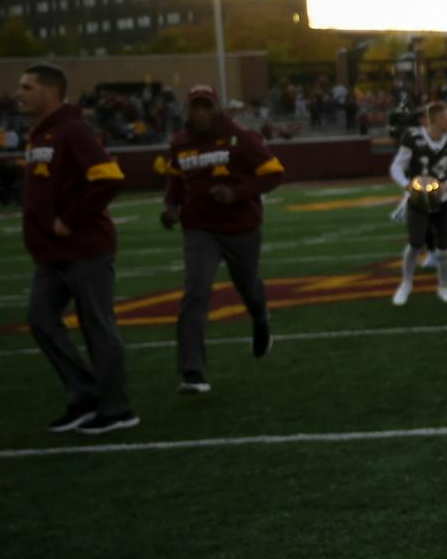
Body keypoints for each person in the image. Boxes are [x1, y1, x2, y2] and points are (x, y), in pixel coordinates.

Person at [17, 63, 136, 434]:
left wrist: (69, 219)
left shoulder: (72, 130)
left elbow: (109, 178)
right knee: (40, 319)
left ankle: (117, 408)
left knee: (97, 326)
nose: (19, 93)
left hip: (85, 247)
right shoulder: (40, 134)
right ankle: (84, 395)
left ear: (50, 92)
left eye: (27, 87)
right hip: (51, 253)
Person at [159, 84, 283, 392]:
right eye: (195, 107)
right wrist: (171, 208)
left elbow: (274, 173)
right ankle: (192, 371)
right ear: (187, 110)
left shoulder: (241, 137)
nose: (200, 112)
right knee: (195, 293)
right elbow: (175, 181)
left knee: (248, 286)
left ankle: (260, 318)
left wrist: (236, 193)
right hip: (199, 228)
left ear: (217, 108)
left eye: (206, 106)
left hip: (240, 226)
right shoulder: (180, 142)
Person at [389, 100, 447, 304]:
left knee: (445, 247)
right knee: (415, 243)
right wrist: (408, 185)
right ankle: (406, 283)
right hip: (418, 200)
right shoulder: (413, 137)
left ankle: (443, 285)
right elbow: (396, 167)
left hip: (443, 199)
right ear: (437, 118)